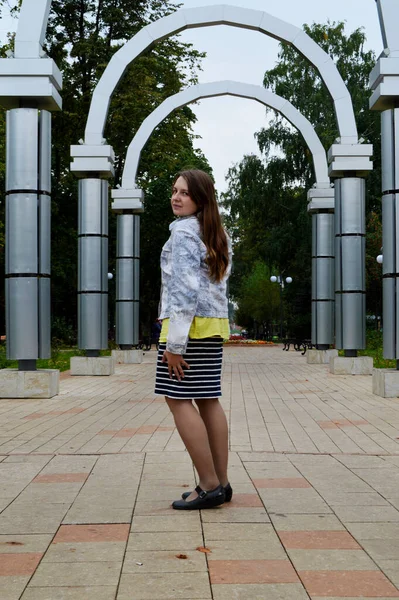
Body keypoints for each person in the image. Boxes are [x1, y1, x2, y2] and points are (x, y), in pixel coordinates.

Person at [154, 169, 232, 510]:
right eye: (174, 191)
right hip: (210, 328)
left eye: (184, 193)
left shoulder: (184, 232)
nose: (175, 197)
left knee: (177, 399)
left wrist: (174, 345)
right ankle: (221, 484)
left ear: (200, 199)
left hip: (188, 330)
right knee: (208, 400)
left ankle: (209, 483)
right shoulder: (215, 232)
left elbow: (183, 290)